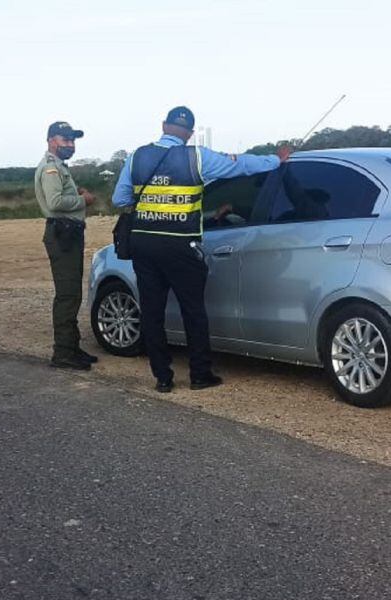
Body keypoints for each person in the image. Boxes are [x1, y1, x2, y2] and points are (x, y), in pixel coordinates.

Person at [112, 106, 291, 393]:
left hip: (144, 243)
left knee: (152, 312)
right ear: (190, 133)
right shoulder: (196, 156)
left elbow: (119, 198)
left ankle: (163, 378)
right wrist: (275, 159)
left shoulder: (137, 157)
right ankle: (199, 374)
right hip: (180, 244)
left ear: (163, 125)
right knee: (193, 310)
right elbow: (240, 165)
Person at [34, 121, 97, 370]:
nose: (70, 145)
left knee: (72, 292)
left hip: (68, 233)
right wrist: (83, 200)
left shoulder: (60, 167)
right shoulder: (51, 167)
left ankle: (72, 346)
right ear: (51, 140)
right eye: (65, 140)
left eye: (72, 140)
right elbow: (56, 201)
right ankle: (63, 352)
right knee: (67, 294)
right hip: (62, 233)